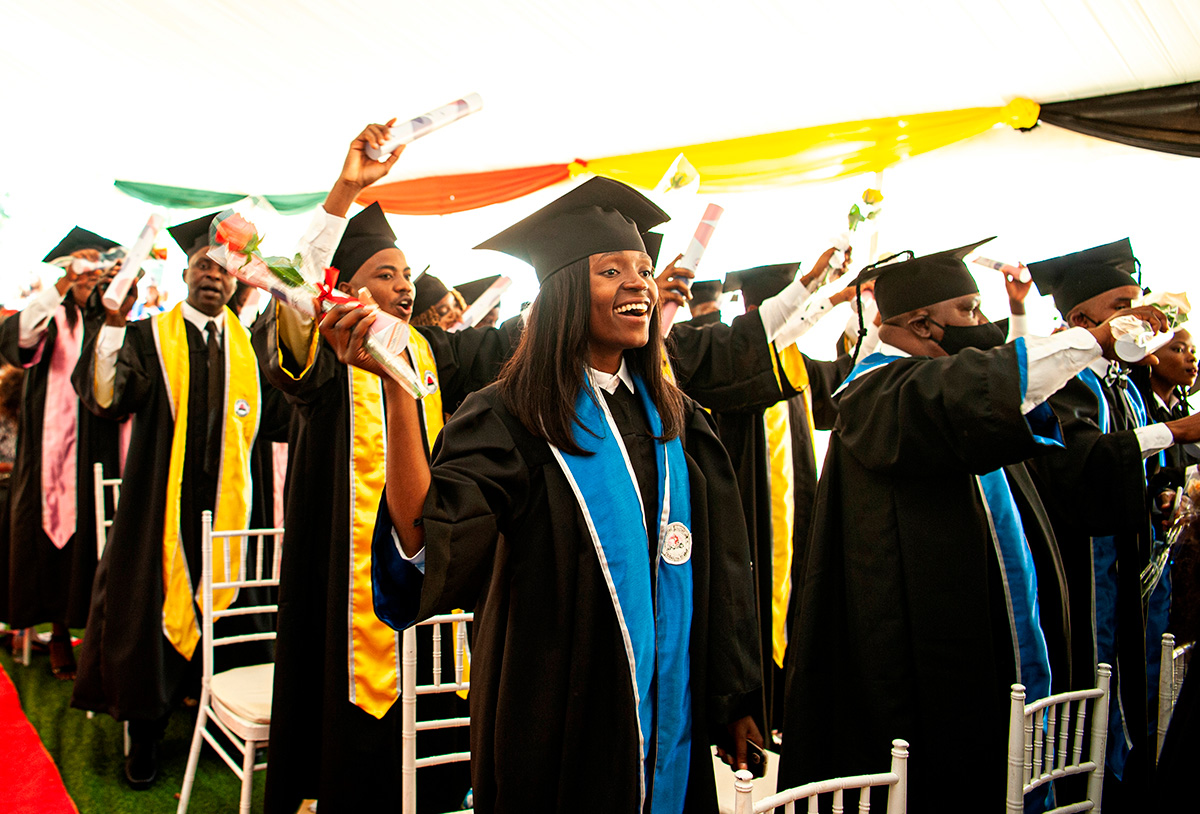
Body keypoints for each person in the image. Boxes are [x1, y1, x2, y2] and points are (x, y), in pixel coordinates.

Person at [321, 177, 763, 813]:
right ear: (561, 294)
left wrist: (735, 696)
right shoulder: (508, 418)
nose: (640, 283)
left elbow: (719, 565)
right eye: (612, 271)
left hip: (674, 708)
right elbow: (425, 538)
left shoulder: (679, 420)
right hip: (555, 705)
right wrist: (399, 392)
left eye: (643, 268)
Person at [777, 238, 1181, 809]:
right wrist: (1092, 338)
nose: (981, 324)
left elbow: (994, 388)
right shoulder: (878, 391)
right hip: (919, 652)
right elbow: (982, 383)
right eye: (967, 311)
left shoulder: (927, 380)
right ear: (921, 324)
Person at [255, 122, 524, 814]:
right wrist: (346, 190)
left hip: (419, 563)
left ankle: (432, 790)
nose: (404, 290)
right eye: (386, 276)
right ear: (342, 288)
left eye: (406, 276)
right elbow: (294, 287)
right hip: (338, 580)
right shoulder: (321, 356)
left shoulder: (433, 353)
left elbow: (509, 344)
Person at [70, 210, 291, 789]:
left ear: (238, 280)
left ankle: (210, 704)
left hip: (231, 508)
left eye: (224, 269)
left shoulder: (247, 346)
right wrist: (113, 328)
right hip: (157, 511)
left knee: (226, 600)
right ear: (187, 273)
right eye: (202, 265)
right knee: (148, 606)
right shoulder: (149, 338)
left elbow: (280, 417)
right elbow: (104, 397)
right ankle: (145, 732)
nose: (213, 276)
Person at [1024, 238, 1200, 809]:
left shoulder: (1121, 381)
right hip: (1086, 562)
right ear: (1082, 320)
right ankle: (1097, 789)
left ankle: (1134, 782)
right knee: (1096, 677)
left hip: (1131, 555)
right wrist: (1176, 433)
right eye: (1124, 303)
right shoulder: (1068, 381)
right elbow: (1078, 462)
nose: (1143, 314)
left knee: (1134, 676)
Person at [0, 229, 125, 678]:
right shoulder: (52, 316)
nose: (90, 280)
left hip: (97, 442)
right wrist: (60, 286)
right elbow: (19, 340)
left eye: (96, 273)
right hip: (50, 447)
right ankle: (56, 633)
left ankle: (97, 632)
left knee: (98, 533)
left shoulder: (106, 318)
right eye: (82, 273)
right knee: (50, 532)